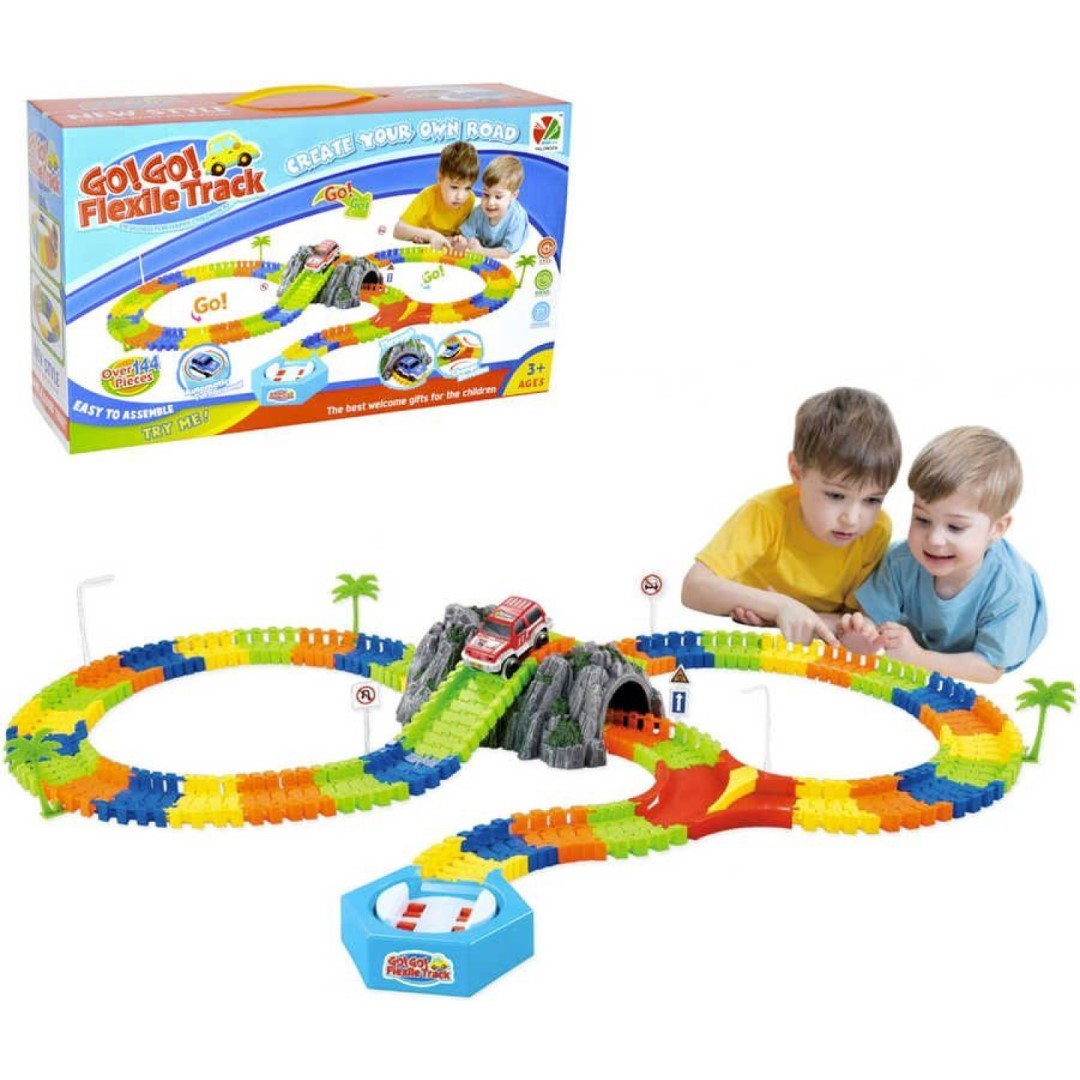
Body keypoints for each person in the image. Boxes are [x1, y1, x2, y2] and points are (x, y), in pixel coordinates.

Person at [682, 387, 901, 644]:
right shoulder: (766, 513)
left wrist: (785, 616)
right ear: (797, 471)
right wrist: (778, 606)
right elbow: (693, 587)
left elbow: (856, 619)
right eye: (835, 495)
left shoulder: (877, 530)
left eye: (873, 500)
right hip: (748, 639)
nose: (852, 519)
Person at [845, 426, 1046, 683]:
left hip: (994, 650)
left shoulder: (1011, 590)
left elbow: (990, 669)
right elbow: (873, 617)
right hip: (929, 637)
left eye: (955, 527)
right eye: (922, 519)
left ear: (997, 528)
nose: (934, 539)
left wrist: (918, 658)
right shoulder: (900, 562)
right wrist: (865, 633)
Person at [393, 141, 479, 250]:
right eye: (454, 187)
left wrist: (460, 240)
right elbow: (398, 230)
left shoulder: (470, 199)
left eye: (468, 188)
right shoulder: (428, 197)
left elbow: (462, 234)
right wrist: (430, 235)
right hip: (423, 250)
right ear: (440, 177)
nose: (460, 197)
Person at [459, 155, 529, 258]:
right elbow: (467, 233)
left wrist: (481, 251)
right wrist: (468, 241)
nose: (490, 202)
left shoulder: (517, 218)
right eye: (486, 194)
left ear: (513, 196)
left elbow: (506, 253)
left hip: (509, 251)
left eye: (498, 197)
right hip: (486, 245)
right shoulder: (479, 212)